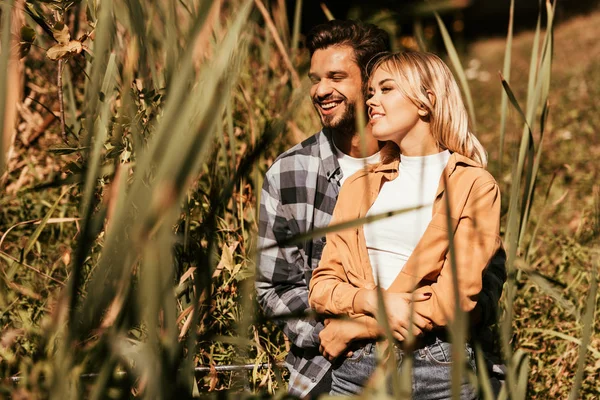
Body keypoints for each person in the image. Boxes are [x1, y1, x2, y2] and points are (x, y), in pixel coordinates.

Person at [308, 51, 503, 398]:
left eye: (386, 89)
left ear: (426, 101)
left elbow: (453, 301)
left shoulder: (473, 185)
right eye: (370, 92)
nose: (371, 101)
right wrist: (372, 300)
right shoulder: (359, 185)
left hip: (437, 367)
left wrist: (355, 326)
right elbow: (322, 287)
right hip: (356, 371)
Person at [255, 20, 390, 398]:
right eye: (315, 78)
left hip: (427, 353)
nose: (320, 90)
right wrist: (332, 333)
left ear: (372, 81)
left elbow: (482, 275)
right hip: (329, 364)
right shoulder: (289, 172)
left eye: (336, 76)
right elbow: (275, 286)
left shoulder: (424, 160)